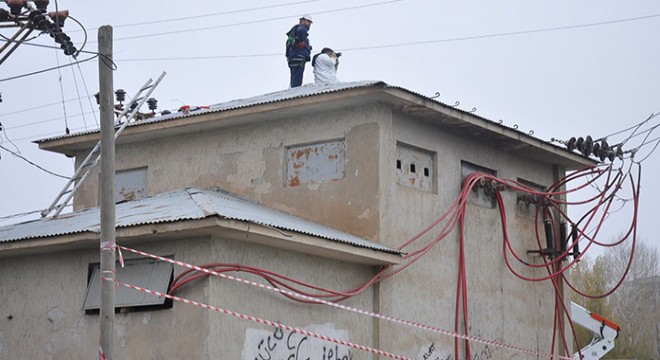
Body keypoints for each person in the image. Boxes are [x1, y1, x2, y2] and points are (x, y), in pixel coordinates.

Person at [285, 15, 313, 88]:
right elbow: (301, 32)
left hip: (293, 57)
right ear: (302, 21)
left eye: (310, 22)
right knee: (297, 79)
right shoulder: (302, 28)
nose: (309, 24)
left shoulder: (294, 31)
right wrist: (301, 42)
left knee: (294, 77)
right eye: (308, 21)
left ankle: (293, 91)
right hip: (299, 57)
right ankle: (295, 93)